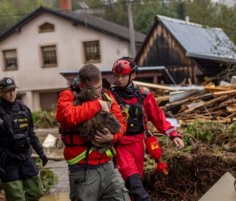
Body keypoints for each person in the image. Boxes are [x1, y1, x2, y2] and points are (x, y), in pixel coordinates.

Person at [110, 57, 185, 201]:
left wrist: (174, 135)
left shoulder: (144, 96)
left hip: (138, 144)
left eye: (123, 76)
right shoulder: (110, 96)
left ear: (133, 75)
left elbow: (158, 118)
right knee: (134, 182)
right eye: (117, 76)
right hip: (120, 145)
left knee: (135, 183)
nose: (119, 79)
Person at [56, 64, 131, 201]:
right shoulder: (68, 96)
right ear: (82, 86)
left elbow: (121, 123)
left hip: (108, 166)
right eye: (94, 88)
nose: (98, 92)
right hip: (82, 169)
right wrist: (97, 105)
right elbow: (66, 116)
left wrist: (112, 137)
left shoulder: (106, 95)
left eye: (100, 87)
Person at [0, 77, 48, 201]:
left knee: (37, 192)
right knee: (17, 198)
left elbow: (31, 133)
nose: (11, 93)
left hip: (25, 157)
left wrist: (41, 153)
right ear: (1, 93)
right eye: (7, 91)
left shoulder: (24, 109)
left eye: (13, 90)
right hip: (7, 162)